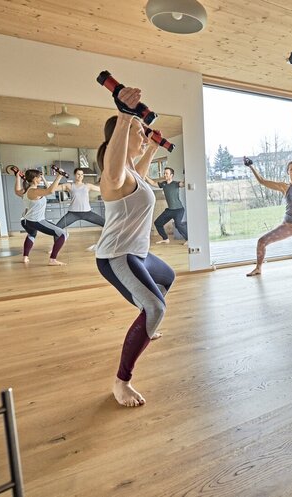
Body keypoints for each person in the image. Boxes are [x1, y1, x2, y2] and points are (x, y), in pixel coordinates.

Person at [95, 87, 175, 408]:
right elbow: (115, 171)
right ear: (122, 133)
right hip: (118, 255)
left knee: (166, 277)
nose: (144, 137)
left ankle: (145, 324)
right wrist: (125, 115)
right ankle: (121, 381)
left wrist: (153, 148)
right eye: (140, 133)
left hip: (136, 253)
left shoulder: (131, 174)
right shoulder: (112, 175)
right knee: (156, 308)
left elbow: (137, 172)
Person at [13, 168, 68, 265]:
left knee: (32, 234)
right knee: (62, 234)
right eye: (39, 177)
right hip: (36, 221)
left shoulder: (26, 190)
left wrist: (17, 177)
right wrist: (59, 176)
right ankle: (52, 260)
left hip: (26, 221)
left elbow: (17, 191)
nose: (40, 179)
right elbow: (50, 191)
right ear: (34, 179)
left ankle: (25, 257)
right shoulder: (34, 191)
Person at [145, 167, 188, 245]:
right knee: (158, 223)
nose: (165, 175)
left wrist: (186, 172)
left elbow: (184, 183)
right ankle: (165, 239)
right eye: (164, 173)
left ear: (171, 175)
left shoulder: (176, 183)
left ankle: (189, 239)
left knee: (178, 224)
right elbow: (153, 183)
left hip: (178, 209)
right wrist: (145, 176)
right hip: (170, 210)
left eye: (166, 173)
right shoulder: (163, 184)